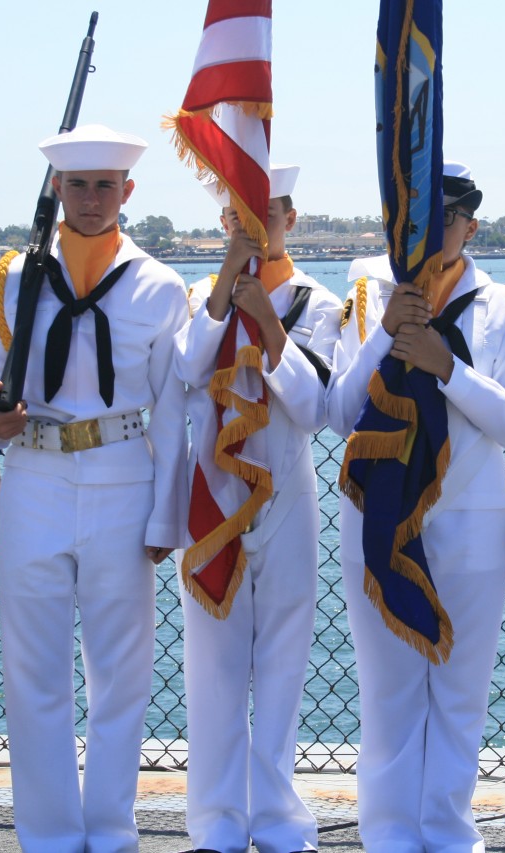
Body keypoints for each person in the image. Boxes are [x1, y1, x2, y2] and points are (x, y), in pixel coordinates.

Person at [0, 124, 189, 852]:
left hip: (124, 471)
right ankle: (50, 835)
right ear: (56, 188)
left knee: (122, 673)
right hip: (35, 473)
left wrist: (167, 512)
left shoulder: (159, 286)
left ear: (129, 191)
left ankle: (112, 831)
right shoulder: (14, 278)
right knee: (33, 669)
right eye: (79, 184)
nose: (92, 198)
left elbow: (173, 409)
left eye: (106, 185)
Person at [327, 161, 505, 852]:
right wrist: (385, 333)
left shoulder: (501, 306)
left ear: (470, 226)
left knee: (458, 691)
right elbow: (339, 412)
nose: (430, 230)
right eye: (415, 218)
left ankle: (448, 835)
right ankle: (388, 836)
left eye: (446, 218)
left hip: (471, 518)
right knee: (388, 695)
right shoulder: (369, 297)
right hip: (381, 517)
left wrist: (447, 367)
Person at [175, 165, 341, 853]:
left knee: (281, 665)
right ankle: (217, 825)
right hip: (215, 492)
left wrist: (268, 322)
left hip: (288, 490)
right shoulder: (199, 297)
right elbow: (188, 368)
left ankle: (276, 823)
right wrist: (227, 285)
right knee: (213, 671)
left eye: (267, 214)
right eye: (239, 216)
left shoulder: (318, 303)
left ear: (290, 219)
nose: (254, 226)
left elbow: (314, 407)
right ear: (224, 223)